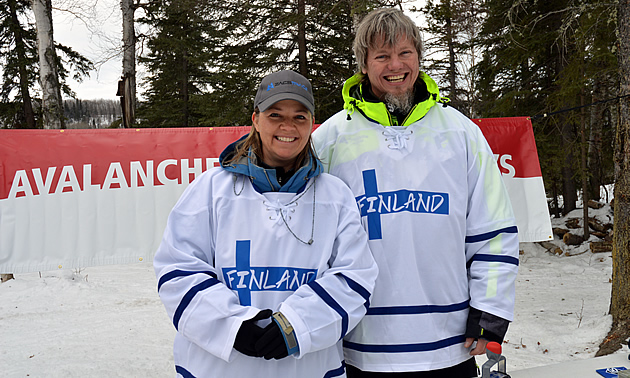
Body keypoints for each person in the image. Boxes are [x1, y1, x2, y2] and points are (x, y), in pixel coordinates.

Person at [312, 8, 519, 378]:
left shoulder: (461, 133)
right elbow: (308, 240)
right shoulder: (329, 138)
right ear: (363, 64)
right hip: (359, 348)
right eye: (382, 56)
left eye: (405, 53)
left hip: (449, 346)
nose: (396, 65)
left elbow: (493, 232)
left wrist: (490, 313)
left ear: (419, 58)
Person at [154, 70, 378, 378]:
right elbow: (178, 270)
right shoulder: (211, 189)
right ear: (256, 119)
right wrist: (232, 325)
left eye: (300, 117)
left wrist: (296, 326)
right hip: (218, 369)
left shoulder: (334, 195)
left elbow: (356, 277)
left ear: (311, 124)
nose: (288, 127)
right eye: (276, 115)